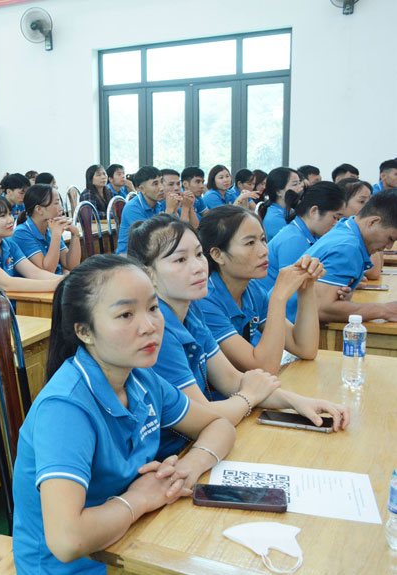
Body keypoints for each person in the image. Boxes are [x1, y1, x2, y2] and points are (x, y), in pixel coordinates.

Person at [11, 255, 236, 575]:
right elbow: (67, 540)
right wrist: (138, 500)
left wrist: (187, 468)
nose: (149, 326)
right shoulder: (65, 409)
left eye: (153, 307)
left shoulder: (141, 378)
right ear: (84, 331)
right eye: (126, 314)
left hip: (132, 540)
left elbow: (218, 424)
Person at [128, 215, 349, 459]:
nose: (198, 266)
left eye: (199, 254)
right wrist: (249, 396)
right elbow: (202, 416)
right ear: (148, 274)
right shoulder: (156, 331)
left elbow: (231, 379)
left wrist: (297, 402)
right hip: (173, 456)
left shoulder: (191, 310)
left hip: (210, 437)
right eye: (180, 259)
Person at [196, 206, 323, 374]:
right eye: (250, 243)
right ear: (218, 255)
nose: (264, 251)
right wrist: (278, 297)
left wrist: (307, 285)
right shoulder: (205, 301)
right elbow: (264, 366)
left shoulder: (252, 290)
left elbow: (305, 348)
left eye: (263, 239)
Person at [308, 190, 397, 323]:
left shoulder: (346, 228)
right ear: (373, 222)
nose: (389, 246)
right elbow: (320, 309)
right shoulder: (348, 247)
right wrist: (385, 310)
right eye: (390, 238)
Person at [259, 183, 346, 318]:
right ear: (314, 211)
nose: (336, 224)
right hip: (270, 317)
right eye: (335, 218)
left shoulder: (307, 236)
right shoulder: (295, 240)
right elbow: (292, 293)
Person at [13, 184, 81, 274]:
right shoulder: (21, 233)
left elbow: (71, 265)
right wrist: (56, 234)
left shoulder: (51, 228)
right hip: (45, 282)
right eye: (56, 203)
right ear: (39, 209)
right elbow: (47, 271)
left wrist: (75, 234)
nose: (61, 208)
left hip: (57, 279)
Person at [115, 166, 169, 255]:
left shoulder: (159, 204)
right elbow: (149, 240)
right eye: (155, 184)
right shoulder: (132, 208)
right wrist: (170, 211)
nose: (162, 188)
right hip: (130, 257)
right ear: (142, 189)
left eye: (162, 181)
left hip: (151, 254)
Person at [259, 167, 301, 240]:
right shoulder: (275, 219)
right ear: (278, 191)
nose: (300, 188)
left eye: (299, 183)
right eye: (295, 184)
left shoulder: (288, 210)